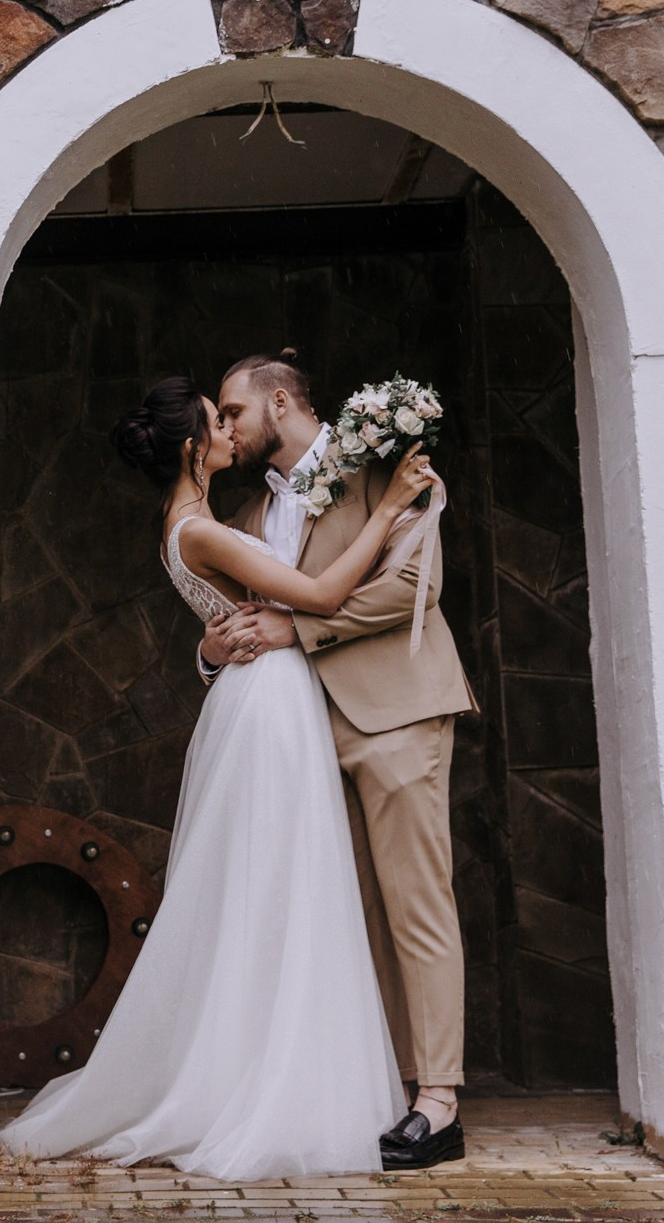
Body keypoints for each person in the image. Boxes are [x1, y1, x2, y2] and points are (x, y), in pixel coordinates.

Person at [0, 375, 440, 1181]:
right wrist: (389, 509)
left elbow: (236, 613)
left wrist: (211, 645)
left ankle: (276, 1070)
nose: (231, 430)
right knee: (280, 887)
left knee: (274, 890)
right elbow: (321, 592)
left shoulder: (198, 523)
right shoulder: (201, 528)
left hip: (267, 697)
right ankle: (264, 1086)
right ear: (192, 448)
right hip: (270, 704)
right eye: (216, 422)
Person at [199, 350, 475, 1170]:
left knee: (417, 905)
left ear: (281, 402)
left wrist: (302, 628)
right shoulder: (249, 514)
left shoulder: (380, 467)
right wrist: (214, 654)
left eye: (234, 410)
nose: (227, 427)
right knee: (352, 916)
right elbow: (243, 621)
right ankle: (392, 1087)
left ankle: (440, 1101)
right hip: (306, 733)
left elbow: (415, 585)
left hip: (396, 712)